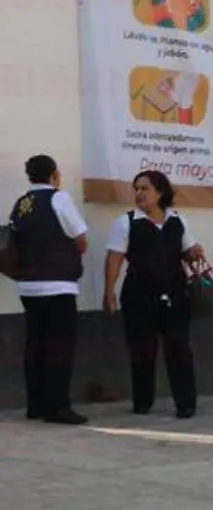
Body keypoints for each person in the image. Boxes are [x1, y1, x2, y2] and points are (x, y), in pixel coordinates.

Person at [103, 170, 204, 418]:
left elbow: (187, 252)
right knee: (142, 350)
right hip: (139, 295)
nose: (139, 193)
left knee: (179, 349)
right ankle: (142, 402)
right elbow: (114, 258)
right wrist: (109, 291)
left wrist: (194, 253)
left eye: (144, 188)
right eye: (136, 189)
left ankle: (186, 404)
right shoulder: (127, 222)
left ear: (160, 192)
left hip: (175, 294)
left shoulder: (178, 220)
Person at [8, 154, 89, 425]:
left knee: (35, 344)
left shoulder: (22, 204)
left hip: (28, 285)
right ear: (55, 174)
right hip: (57, 283)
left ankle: (37, 404)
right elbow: (80, 238)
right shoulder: (59, 198)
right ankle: (58, 407)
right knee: (60, 347)